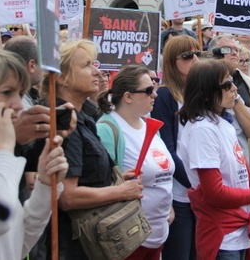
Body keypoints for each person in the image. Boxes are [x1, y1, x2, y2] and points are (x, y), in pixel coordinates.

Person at [0, 48, 69, 259]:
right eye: (6, 92)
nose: (17, 105)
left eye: (20, 94)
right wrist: (3, 149)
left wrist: (45, 186)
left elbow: (17, 245)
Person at [51, 39, 145, 259]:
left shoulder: (84, 116)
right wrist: (119, 191)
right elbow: (68, 197)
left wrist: (116, 178)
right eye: (86, 66)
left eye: (94, 64)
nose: (97, 72)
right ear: (62, 78)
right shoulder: (65, 122)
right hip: (75, 246)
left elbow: (86, 175)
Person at [178, 59, 250, 260]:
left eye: (232, 82)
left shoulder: (224, 124)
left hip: (240, 230)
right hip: (222, 236)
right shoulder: (202, 130)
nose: (234, 89)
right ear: (207, 92)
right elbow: (215, 193)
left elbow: (242, 173)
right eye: (226, 85)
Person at [97, 64, 174, 259]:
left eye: (154, 87)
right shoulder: (107, 129)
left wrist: (168, 206)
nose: (154, 94)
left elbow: (161, 171)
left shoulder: (149, 125)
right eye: (148, 90)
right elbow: (102, 185)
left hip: (158, 233)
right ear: (128, 96)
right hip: (128, 237)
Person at [150, 35, 201, 260]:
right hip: (179, 193)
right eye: (188, 56)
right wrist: (195, 182)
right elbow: (167, 148)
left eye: (198, 53)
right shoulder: (164, 95)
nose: (196, 59)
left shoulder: (198, 97)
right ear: (172, 61)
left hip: (200, 192)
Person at [210, 34, 250, 162]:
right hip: (216, 157)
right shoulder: (204, 83)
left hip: (243, 160)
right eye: (227, 49)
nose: (234, 53)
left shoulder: (248, 82)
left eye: (237, 50)